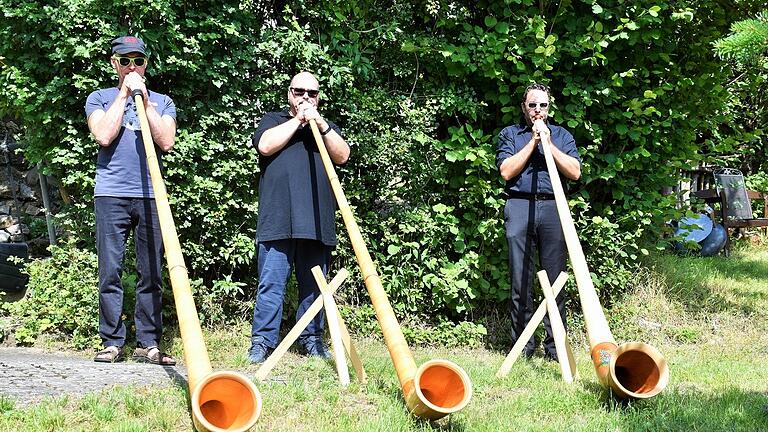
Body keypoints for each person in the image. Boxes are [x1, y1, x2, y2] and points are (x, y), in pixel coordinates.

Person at [86, 36, 177, 365]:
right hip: (111, 194)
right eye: (125, 61)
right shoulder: (99, 98)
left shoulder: (163, 102)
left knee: (151, 272)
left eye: (137, 61)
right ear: (114, 64)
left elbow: (166, 141)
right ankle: (112, 342)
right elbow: (103, 135)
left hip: (151, 196)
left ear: (146, 64)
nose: (132, 67)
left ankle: (148, 343)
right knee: (110, 270)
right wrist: (125, 94)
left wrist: (146, 102)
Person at [248, 72, 351, 364]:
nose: (306, 97)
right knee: (271, 284)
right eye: (299, 91)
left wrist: (320, 124)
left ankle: (311, 341)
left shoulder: (326, 128)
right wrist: (299, 121)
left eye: (312, 93)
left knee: (315, 287)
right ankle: (262, 342)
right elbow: (265, 146)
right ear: (289, 93)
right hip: (277, 220)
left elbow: (343, 155)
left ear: (319, 97)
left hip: (317, 221)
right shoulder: (274, 119)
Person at [495, 83, 581, 361]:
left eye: (542, 105)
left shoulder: (562, 135)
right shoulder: (511, 134)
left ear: (549, 107)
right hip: (519, 205)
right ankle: (524, 347)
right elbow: (506, 171)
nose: (538, 110)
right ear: (524, 107)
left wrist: (548, 144)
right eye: (533, 105)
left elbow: (575, 172)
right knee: (521, 277)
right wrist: (533, 142)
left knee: (556, 278)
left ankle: (556, 349)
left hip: (553, 207)